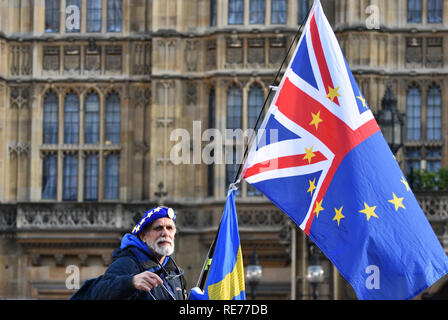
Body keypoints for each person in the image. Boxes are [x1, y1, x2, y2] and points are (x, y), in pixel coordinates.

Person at [70, 206, 187, 300]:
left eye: (170, 228)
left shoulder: (175, 273)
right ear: (143, 237)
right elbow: (95, 293)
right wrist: (130, 282)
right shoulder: (128, 263)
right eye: (158, 228)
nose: (165, 233)